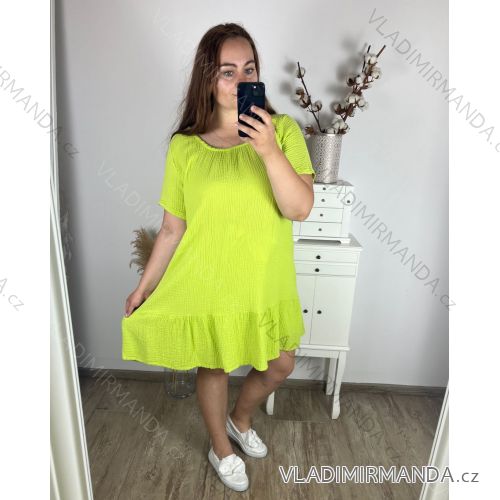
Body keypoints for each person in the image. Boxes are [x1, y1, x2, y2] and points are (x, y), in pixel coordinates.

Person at [121, 22, 316, 492]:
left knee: (281, 364)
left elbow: (299, 208)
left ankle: (239, 419)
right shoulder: (185, 147)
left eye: (249, 69)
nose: (240, 80)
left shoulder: (283, 132)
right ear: (208, 79)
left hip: (265, 282)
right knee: (214, 367)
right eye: (227, 72)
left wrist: (267, 150)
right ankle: (221, 447)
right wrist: (144, 287)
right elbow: (173, 227)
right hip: (209, 280)